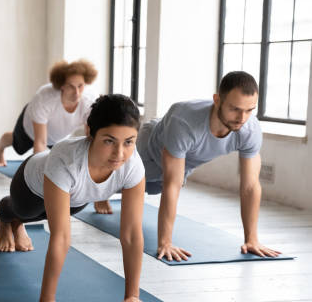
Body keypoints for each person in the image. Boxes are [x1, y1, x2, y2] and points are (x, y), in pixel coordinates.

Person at [0, 94, 161, 302]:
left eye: (129, 142)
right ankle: (7, 219)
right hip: (30, 185)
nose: (120, 153)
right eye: (109, 141)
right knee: (24, 213)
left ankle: (18, 226)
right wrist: (47, 299)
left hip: (75, 196)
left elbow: (132, 234)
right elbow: (61, 237)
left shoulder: (132, 166)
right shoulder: (67, 158)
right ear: (90, 133)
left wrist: (133, 295)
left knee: (52, 214)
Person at [95, 71, 281, 261]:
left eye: (250, 110)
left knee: (153, 187)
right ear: (217, 100)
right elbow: (172, 184)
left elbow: (250, 187)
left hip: (182, 160)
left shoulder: (250, 130)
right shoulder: (184, 121)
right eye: (234, 109)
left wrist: (252, 239)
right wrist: (165, 242)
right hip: (149, 148)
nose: (242, 118)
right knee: (114, 179)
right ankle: (101, 195)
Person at [0, 59, 98, 166]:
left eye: (80, 86)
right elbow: (40, 142)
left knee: (60, 161)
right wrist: (39, 176)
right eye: (71, 86)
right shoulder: (45, 98)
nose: (76, 92)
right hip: (31, 129)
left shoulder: (89, 102)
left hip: (59, 136)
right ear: (61, 86)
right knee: (18, 145)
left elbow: (90, 137)